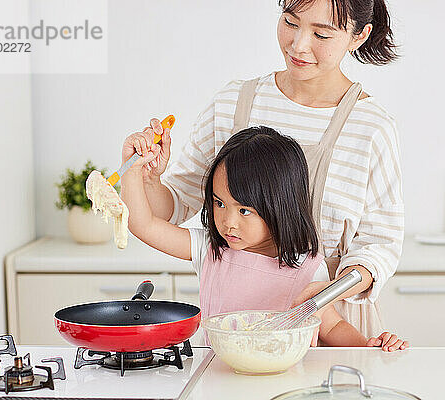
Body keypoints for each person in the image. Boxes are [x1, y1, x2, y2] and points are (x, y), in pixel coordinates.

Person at [126, 0, 403, 338]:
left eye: (321, 34)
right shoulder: (232, 103)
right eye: (290, 22)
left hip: (330, 319)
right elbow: (166, 211)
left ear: (359, 35)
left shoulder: (371, 126)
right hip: (235, 330)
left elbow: (380, 245)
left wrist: (327, 294)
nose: (299, 46)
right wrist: (149, 178)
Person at [121, 126, 407, 351]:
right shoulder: (210, 249)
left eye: (244, 210)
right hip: (217, 379)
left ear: (279, 207)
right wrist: (134, 170)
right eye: (219, 203)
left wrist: (369, 347)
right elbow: (143, 225)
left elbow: (330, 328)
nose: (228, 222)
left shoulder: (306, 267)